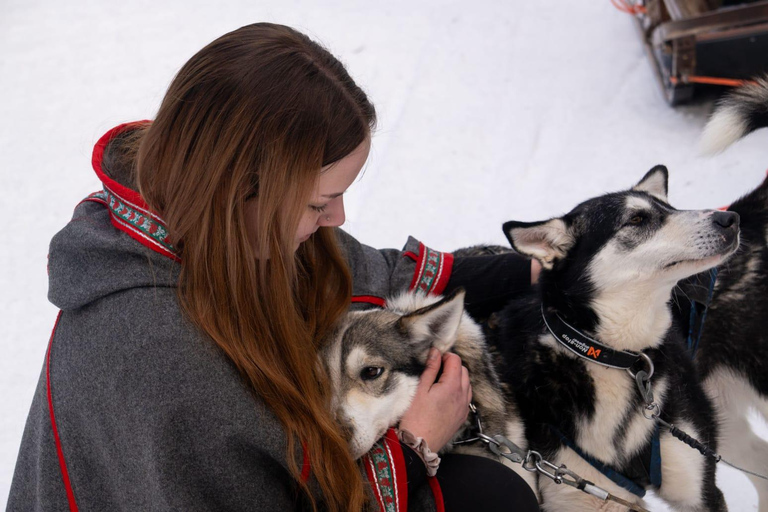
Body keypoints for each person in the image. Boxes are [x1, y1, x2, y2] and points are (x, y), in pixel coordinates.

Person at [8, 23, 539, 511]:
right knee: (492, 497)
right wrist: (413, 447)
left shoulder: (216, 230)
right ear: (240, 187)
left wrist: (536, 271)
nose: (337, 217)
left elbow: (371, 277)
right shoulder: (163, 355)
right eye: (317, 203)